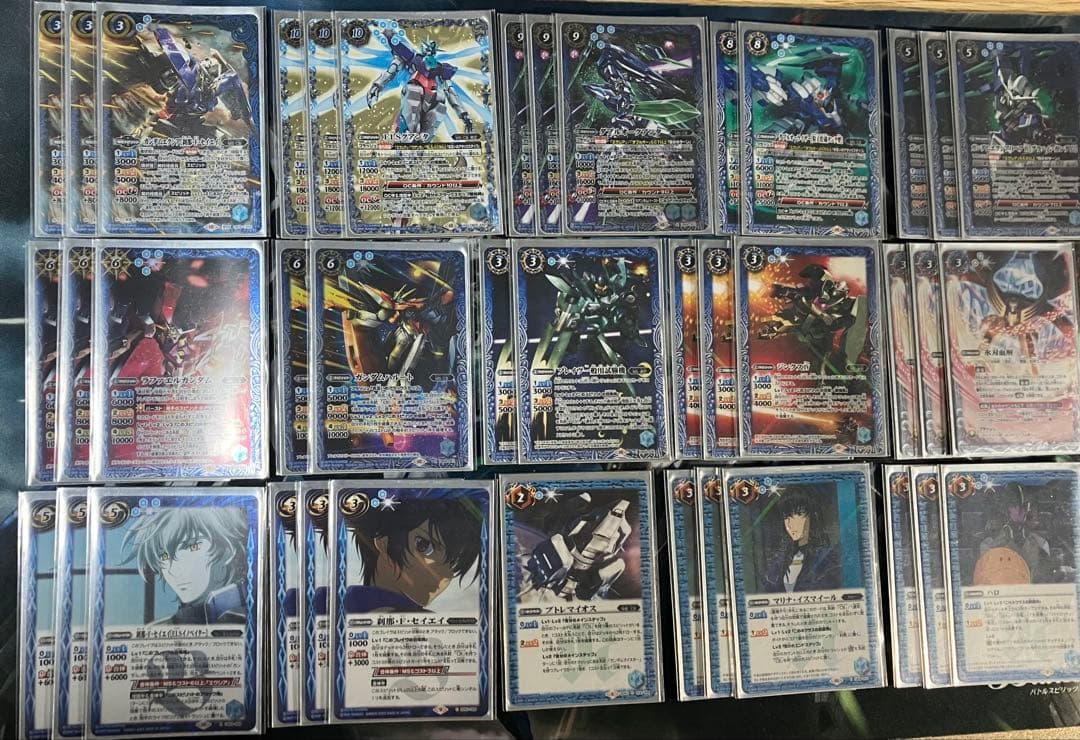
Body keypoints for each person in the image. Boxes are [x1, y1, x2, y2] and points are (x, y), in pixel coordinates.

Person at [344, 492, 483, 612]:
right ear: (383, 543)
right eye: (424, 546)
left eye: (452, 561)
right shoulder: (341, 610)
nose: (446, 574)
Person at [123, 506, 248, 624]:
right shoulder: (164, 628)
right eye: (164, 556)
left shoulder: (248, 615)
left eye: (193, 547)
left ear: (227, 548)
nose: (175, 570)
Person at [762, 495, 841, 593]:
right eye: (786, 517)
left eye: (798, 514)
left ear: (812, 518)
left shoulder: (826, 558)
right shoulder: (780, 559)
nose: (790, 524)